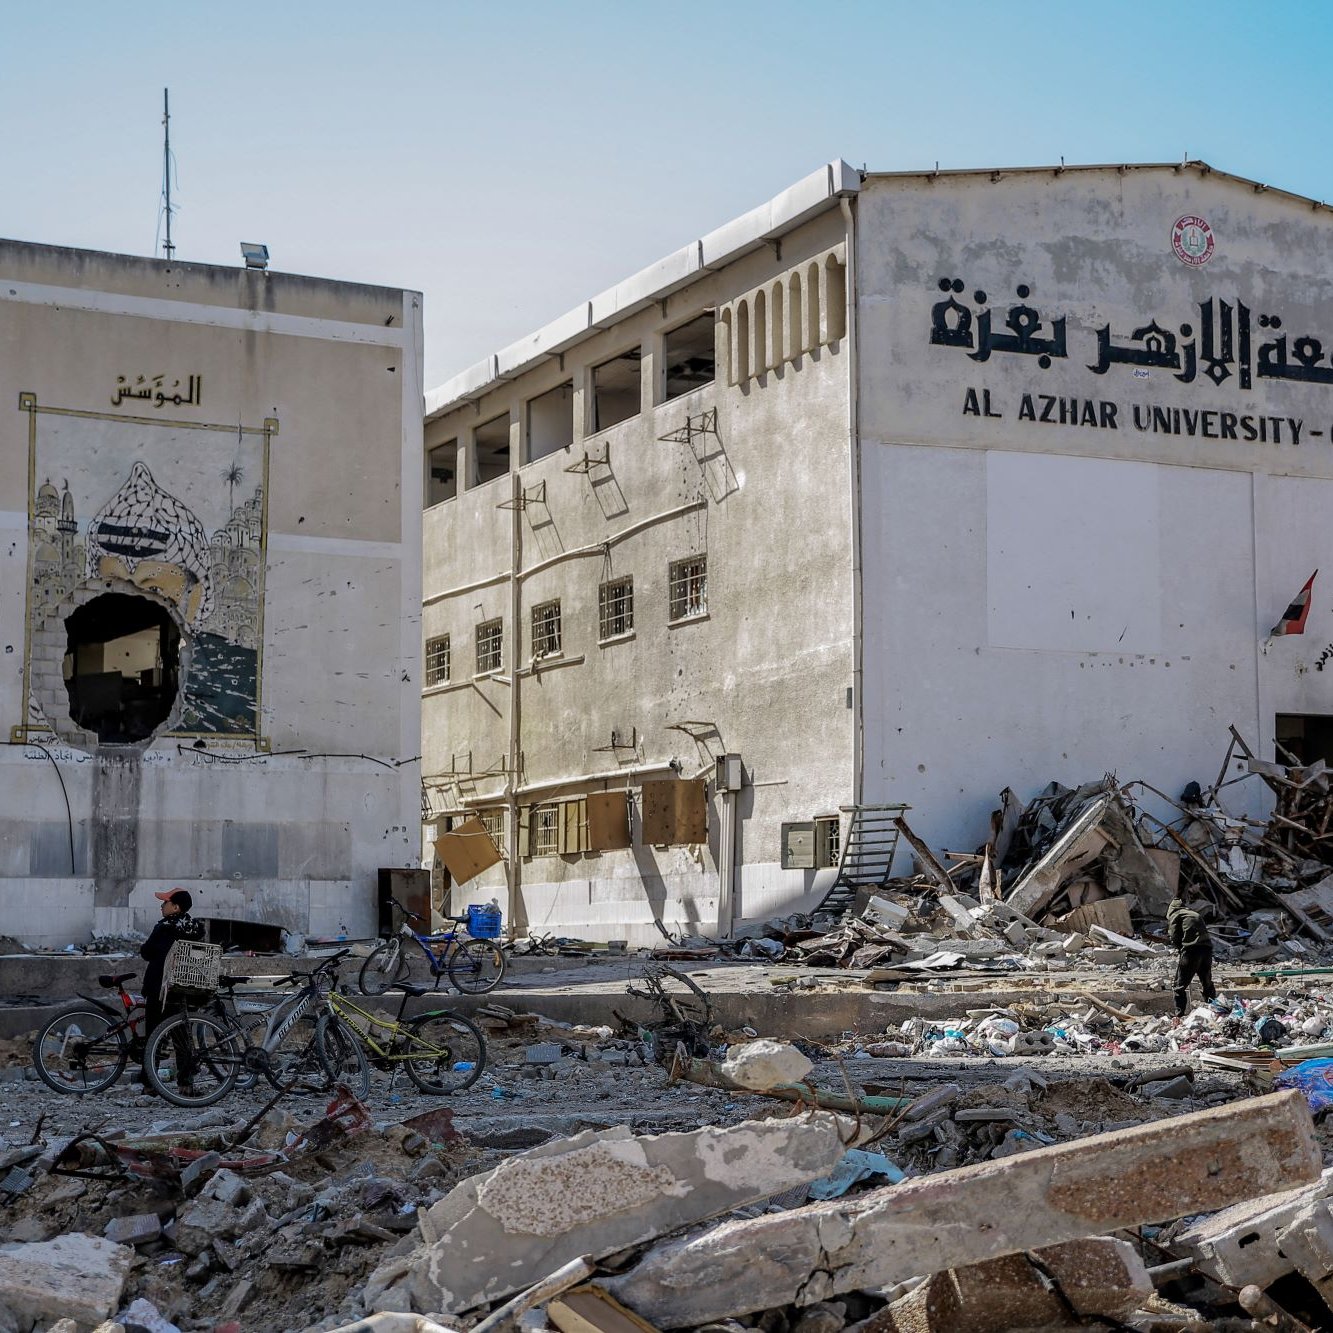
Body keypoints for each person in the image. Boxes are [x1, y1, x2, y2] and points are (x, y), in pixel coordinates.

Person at [139, 888, 205, 1089]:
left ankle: (150, 1084)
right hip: (185, 989)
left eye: (165, 902)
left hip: (160, 990)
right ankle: (185, 1084)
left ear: (175, 907)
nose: (162, 905)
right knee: (183, 1038)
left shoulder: (164, 927)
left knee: (155, 1037)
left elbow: (147, 952)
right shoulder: (196, 929)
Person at [1167, 888, 1217, 1017]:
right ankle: (1216, 1010)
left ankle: (1179, 1015)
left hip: (1191, 950)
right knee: (1206, 981)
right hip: (1206, 949)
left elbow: (1174, 935)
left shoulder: (1176, 914)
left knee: (1179, 985)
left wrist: (1179, 948)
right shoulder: (1191, 913)